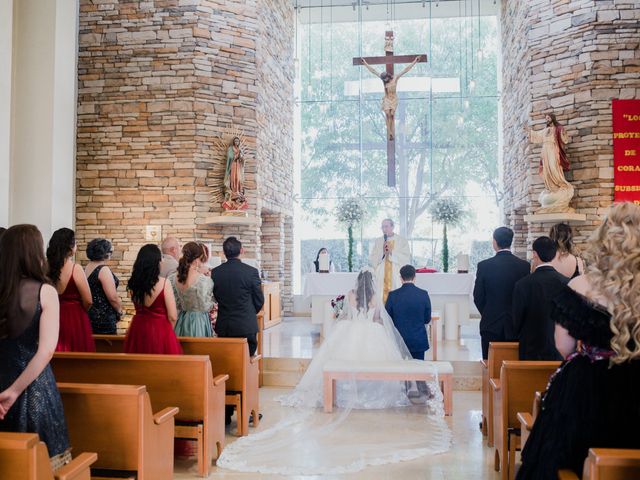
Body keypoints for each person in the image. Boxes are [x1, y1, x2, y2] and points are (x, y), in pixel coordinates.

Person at [517, 202, 640, 479]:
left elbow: (563, 347)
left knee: (565, 460)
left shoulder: (581, 286)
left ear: (605, 239)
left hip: (589, 389)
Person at [281, 268, 419, 409]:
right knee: (373, 360)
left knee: (344, 358)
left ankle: (345, 389)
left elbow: (347, 315)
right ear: (372, 282)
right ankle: (370, 390)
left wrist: (340, 320)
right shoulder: (375, 297)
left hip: (351, 328)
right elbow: (377, 318)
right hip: (372, 330)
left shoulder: (351, 295)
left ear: (358, 281)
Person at [0, 225, 71, 469]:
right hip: (33, 387)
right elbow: (46, 351)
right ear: (34, 252)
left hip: (2, 378)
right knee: (40, 464)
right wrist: (13, 392)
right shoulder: (45, 291)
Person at [212, 237, 264, 425]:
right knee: (247, 369)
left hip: (225, 326)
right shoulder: (250, 272)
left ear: (224, 252)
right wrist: (249, 313)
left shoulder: (216, 273)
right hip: (246, 326)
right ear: (241, 250)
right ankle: (248, 411)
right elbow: (259, 300)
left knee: (226, 368)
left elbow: (216, 297)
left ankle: (226, 413)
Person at [473, 227, 530, 359]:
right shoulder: (524, 266)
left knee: (489, 365)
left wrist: (488, 311)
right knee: (513, 366)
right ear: (511, 241)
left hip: (491, 323)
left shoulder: (484, 266)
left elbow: (478, 296)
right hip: (515, 324)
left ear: (494, 242)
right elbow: (525, 297)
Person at [511, 236, 567, 361]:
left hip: (530, 347)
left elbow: (517, 320)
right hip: (558, 349)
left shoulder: (523, 284)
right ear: (554, 255)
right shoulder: (566, 282)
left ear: (535, 254)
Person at [124, 244, 181, 354]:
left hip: (138, 329)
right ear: (157, 262)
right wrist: (168, 332)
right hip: (161, 330)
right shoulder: (164, 283)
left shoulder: (133, 283)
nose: (163, 261)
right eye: (161, 258)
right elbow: (173, 316)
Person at [46, 228, 95, 352]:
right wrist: (79, 310)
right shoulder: (76, 268)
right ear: (70, 247)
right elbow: (88, 300)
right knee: (79, 357)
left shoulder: (46, 268)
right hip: (75, 317)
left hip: (52, 314)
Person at [362, 56, 420, 141]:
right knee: (388, 115)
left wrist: (415, 61)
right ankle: (390, 134)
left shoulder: (395, 78)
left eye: (385, 79)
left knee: (392, 115)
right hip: (387, 99)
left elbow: (405, 70)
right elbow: (373, 71)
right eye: (383, 80)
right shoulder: (383, 80)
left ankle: (392, 132)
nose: (385, 81)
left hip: (393, 99)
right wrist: (365, 64)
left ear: (388, 76)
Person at [385, 265, 432, 361]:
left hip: (398, 341)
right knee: (419, 370)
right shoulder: (423, 294)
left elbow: (388, 319)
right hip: (418, 340)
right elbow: (427, 319)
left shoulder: (392, 295)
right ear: (415, 278)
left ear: (401, 278)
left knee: (400, 371)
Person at [169, 242, 215, 337]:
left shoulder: (173, 278)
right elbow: (206, 306)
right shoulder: (203, 280)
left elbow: (177, 303)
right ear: (198, 259)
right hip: (199, 321)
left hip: (182, 319)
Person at [85, 238, 123, 335]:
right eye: (110, 251)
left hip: (90, 316)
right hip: (103, 318)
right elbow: (113, 298)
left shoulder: (87, 267)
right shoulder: (103, 269)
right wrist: (120, 311)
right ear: (105, 253)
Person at [368, 218, 411, 303]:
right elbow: (373, 258)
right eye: (382, 227)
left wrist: (392, 252)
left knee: (396, 297)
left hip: (396, 274)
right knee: (380, 297)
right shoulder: (378, 241)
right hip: (381, 275)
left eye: (386, 226)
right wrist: (383, 253)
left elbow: (406, 258)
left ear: (392, 227)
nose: (384, 229)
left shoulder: (402, 241)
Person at [528, 112, 571, 192]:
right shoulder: (545, 130)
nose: (547, 120)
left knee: (553, 166)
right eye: (546, 118)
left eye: (548, 118)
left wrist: (564, 134)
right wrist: (529, 131)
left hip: (553, 149)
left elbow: (564, 139)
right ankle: (552, 188)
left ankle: (560, 184)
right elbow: (537, 135)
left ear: (552, 118)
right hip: (545, 150)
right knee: (546, 169)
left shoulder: (557, 129)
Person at [223, 137, 248, 211]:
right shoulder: (231, 148)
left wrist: (241, 157)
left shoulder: (240, 150)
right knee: (233, 178)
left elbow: (243, 160)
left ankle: (238, 191)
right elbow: (230, 156)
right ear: (233, 142)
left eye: (238, 141)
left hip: (239, 166)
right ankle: (233, 190)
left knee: (239, 179)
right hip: (233, 165)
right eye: (235, 141)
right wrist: (235, 156)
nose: (237, 142)